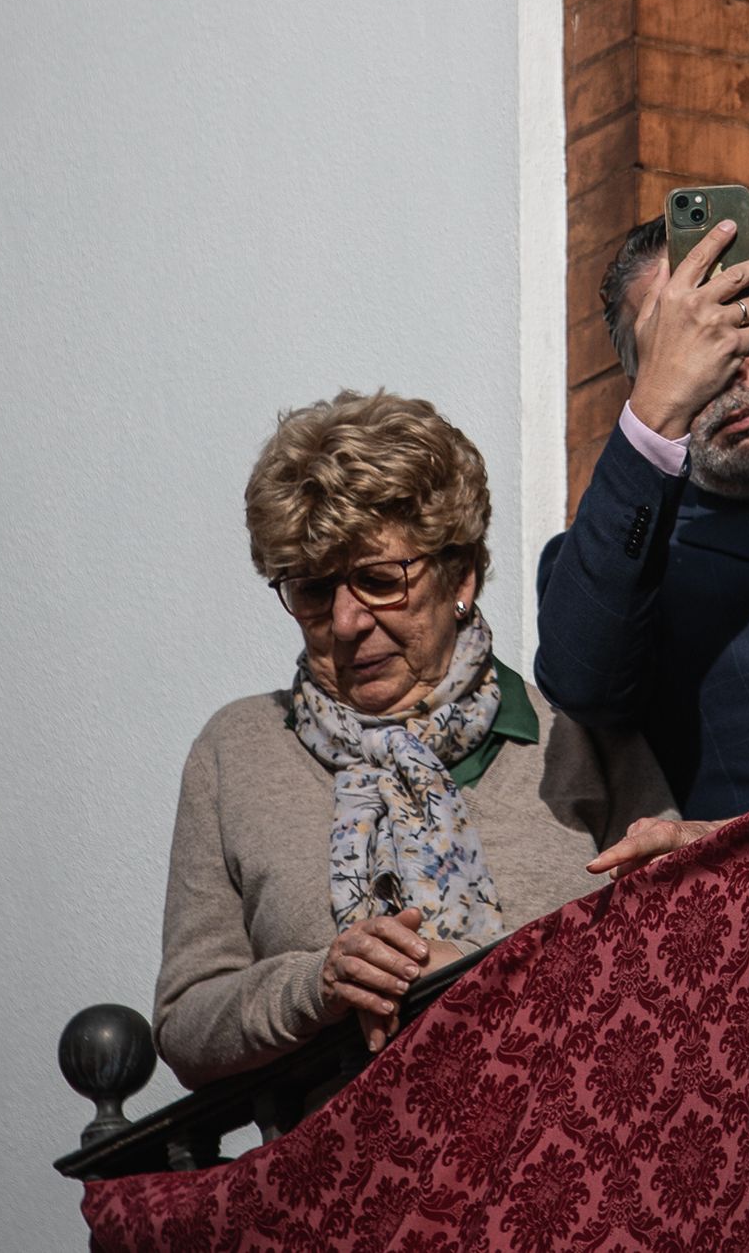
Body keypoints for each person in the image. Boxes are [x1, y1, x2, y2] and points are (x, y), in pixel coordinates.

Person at [154, 389, 674, 1087]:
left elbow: (671, 943)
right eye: (312, 590)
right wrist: (320, 986)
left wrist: (471, 976)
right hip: (347, 1180)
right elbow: (186, 1019)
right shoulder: (237, 752)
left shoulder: (575, 728)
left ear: (460, 577)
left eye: (378, 580)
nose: (344, 622)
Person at [535, 213, 749, 821]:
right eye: (687, 346)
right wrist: (656, 416)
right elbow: (582, 680)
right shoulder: (629, 563)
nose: (728, 368)